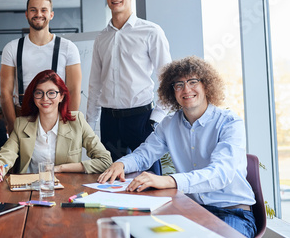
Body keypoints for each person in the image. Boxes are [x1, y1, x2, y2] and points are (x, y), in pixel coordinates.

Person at [98, 56, 257, 238]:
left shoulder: (230, 123)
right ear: (172, 91)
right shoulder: (168, 124)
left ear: (206, 85)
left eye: (192, 82)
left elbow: (221, 173)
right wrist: (122, 164)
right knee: (131, 231)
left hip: (232, 212)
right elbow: (144, 154)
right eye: (178, 84)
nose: (186, 89)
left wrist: (169, 181)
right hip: (189, 211)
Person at [86, 0, 171, 174]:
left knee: (150, 181)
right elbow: (95, 84)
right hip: (109, 123)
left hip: (141, 119)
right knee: (111, 182)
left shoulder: (151, 32)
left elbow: (168, 81)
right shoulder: (101, 39)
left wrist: (155, 120)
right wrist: (89, 125)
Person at [0, 69, 112, 184]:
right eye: (39, 93)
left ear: (61, 96)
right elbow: (6, 154)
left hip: (67, 189)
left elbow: (105, 161)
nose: (45, 98)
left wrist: (60, 168)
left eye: (51, 93)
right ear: (33, 97)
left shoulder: (77, 121)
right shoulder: (21, 124)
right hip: (28, 190)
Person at [0, 0, 82, 134]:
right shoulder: (12, 48)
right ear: (26, 14)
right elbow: (5, 92)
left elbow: (74, 90)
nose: (38, 14)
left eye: (43, 10)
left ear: (51, 14)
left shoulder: (68, 47)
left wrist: (68, 124)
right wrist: (13, 126)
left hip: (58, 118)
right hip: (23, 118)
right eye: (33, 10)